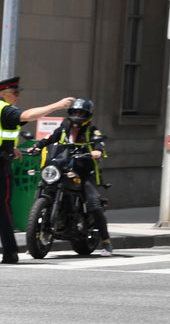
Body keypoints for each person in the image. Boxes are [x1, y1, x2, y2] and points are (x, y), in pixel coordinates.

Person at [0, 77, 73, 264]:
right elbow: (28, 116)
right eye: (15, 93)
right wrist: (57, 105)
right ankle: (10, 252)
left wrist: (9, 148)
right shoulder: (3, 109)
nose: (17, 97)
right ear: (4, 94)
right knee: (3, 208)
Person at [28, 98, 113, 255]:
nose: (77, 115)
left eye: (81, 113)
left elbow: (99, 142)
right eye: (74, 112)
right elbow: (49, 138)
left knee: (94, 202)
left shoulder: (92, 131)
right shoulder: (63, 128)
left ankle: (106, 242)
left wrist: (97, 151)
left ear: (88, 115)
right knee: (45, 187)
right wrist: (36, 147)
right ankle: (36, 236)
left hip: (84, 171)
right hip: (62, 167)